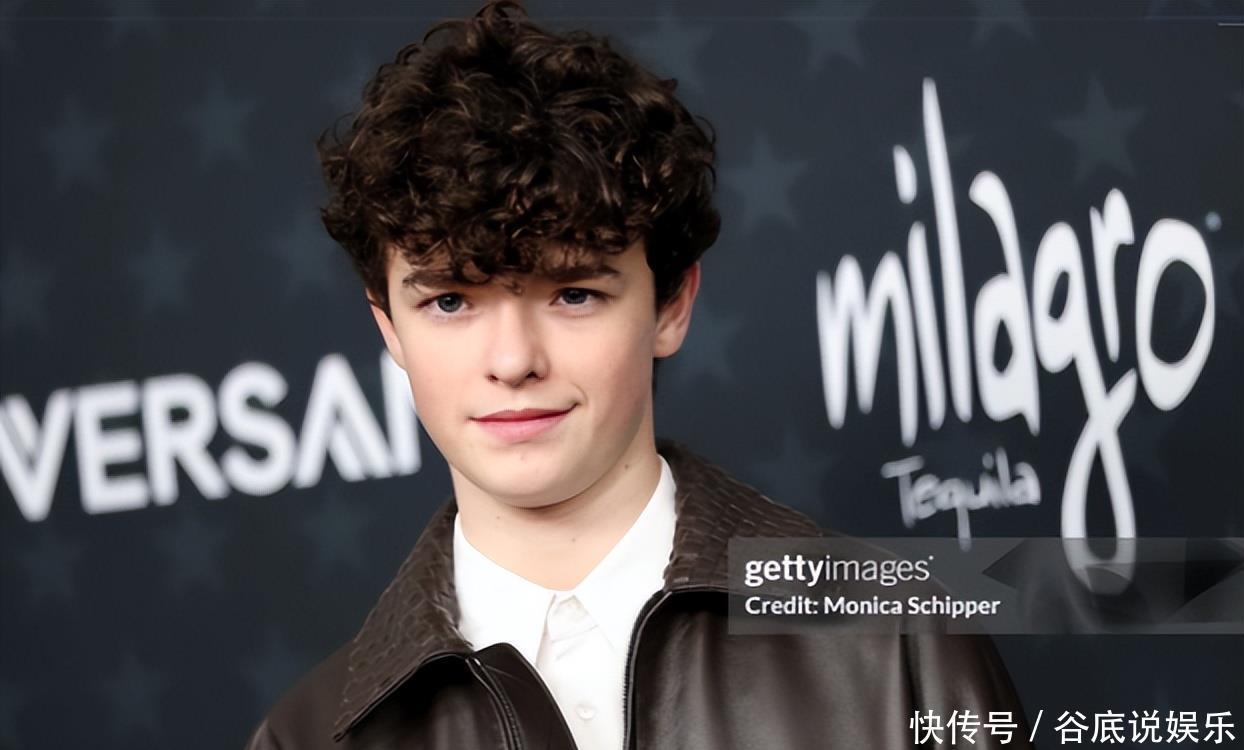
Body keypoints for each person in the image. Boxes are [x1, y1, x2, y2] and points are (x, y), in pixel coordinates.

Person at [245, 2, 1031, 748]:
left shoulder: (896, 637)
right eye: (451, 301)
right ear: (389, 325)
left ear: (671, 305)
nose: (513, 361)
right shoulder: (307, 739)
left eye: (573, 294)